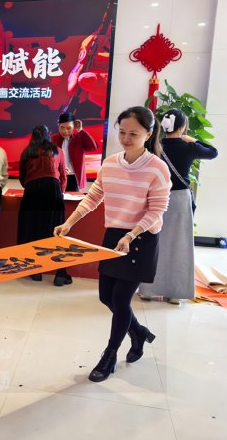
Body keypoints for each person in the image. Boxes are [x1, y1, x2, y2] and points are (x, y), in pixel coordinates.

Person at [54, 106, 171, 382]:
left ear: (148, 134)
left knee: (120, 299)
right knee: (106, 296)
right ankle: (138, 332)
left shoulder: (157, 168)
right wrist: (69, 222)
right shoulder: (110, 163)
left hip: (140, 238)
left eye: (134, 134)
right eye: (122, 132)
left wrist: (131, 235)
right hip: (114, 235)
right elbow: (94, 196)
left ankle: (109, 356)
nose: (126, 139)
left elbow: (157, 210)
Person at [139, 109, 218, 304]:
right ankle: (175, 293)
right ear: (182, 127)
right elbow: (213, 152)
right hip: (180, 198)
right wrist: (193, 140)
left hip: (156, 196)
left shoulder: (154, 146)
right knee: (180, 245)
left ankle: (148, 289)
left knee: (153, 242)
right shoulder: (188, 147)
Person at [17, 125, 70, 286]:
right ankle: (60, 274)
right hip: (52, 189)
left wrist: (31, 186)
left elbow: (22, 177)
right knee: (56, 231)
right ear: (48, 135)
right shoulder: (57, 150)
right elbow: (63, 176)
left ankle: (35, 271)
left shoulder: (26, 152)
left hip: (32, 190)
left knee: (32, 229)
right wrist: (59, 192)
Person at [51, 112, 97, 191]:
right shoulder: (53, 139)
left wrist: (81, 130)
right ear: (58, 126)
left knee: (73, 198)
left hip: (74, 177)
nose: (65, 131)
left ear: (74, 126)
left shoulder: (79, 137)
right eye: (62, 127)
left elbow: (93, 147)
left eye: (68, 128)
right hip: (58, 176)